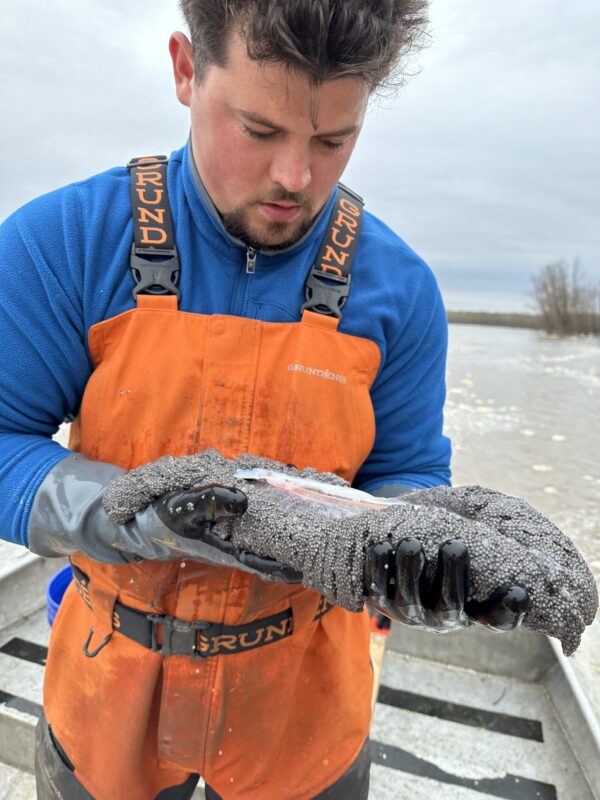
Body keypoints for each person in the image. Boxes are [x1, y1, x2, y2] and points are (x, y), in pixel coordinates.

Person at [0, 2, 527, 798]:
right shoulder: (62, 242)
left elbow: (408, 470)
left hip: (306, 705)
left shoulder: (402, 289)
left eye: (332, 141)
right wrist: (129, 510)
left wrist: (416, 553)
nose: (295, 178)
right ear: (186, 70)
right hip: (108, 692)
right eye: (257, 130)